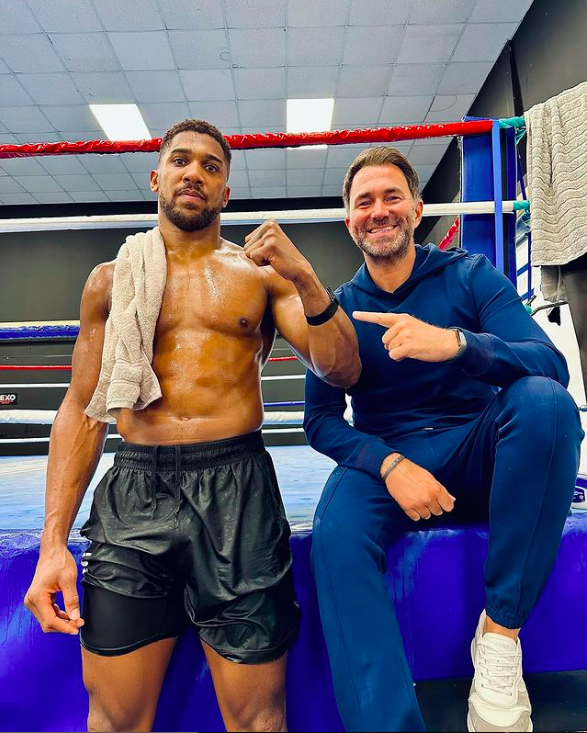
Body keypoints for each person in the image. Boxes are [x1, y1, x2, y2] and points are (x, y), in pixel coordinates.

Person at [24, 119, 361, 733]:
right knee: (114, 718)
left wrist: (308, 278)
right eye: (182, 161)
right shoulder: (110, 280)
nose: (195, 174)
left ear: (225, 192)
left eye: (211, 166)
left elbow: (341, 369)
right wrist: (53, 545)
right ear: (157, 177)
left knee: (260, 720)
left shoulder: (262, 278)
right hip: (136, 492)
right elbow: (81, 408)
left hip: (238, 491)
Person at [303, 146, 584, 733]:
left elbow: (548, 363)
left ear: (417, 207)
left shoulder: (470, 274)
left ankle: (500, 637)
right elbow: (322, 420)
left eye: (391, 197)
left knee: (545, 405)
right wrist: (387, 466)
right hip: (391, 456)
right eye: (364, 202)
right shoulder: (338, 310)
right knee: (336, 534)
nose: (378, 211)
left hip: (478, 447)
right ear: (349, 220)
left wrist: (457, 344)